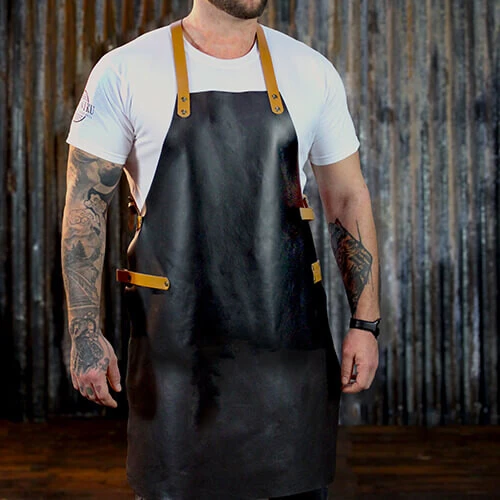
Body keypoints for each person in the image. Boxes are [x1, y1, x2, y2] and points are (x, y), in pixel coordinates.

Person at [61, 1, 380, 499]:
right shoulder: (126, 70)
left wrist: (365, 323)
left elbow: (347, 197)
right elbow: (85, 208)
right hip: (177, 364)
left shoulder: (311, 71)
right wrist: (83, 332)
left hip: (288, 362)